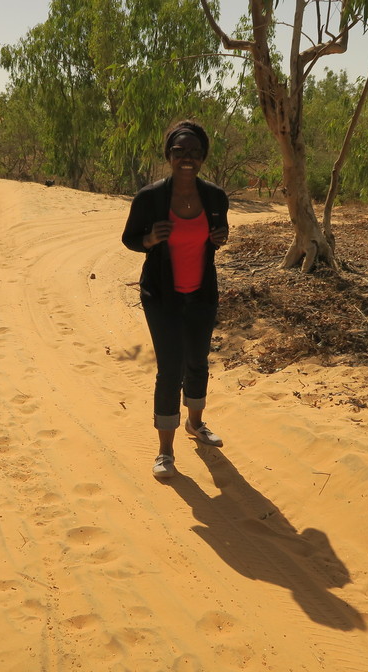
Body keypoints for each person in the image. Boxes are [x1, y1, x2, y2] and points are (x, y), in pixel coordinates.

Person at [121, 120, 229, 478]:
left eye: (195, 153)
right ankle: (165, 453)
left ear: (203, 157)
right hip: (162, 296)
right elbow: (130, 239)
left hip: (201, 294)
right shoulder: (150, 198)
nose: (187, 158)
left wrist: (220, 237)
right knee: (170, 370)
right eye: (180, 152)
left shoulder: (215, 197)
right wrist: (150, 239)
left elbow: (218, 234)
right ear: (169, 154)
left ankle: (195, 425)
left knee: (197, 362)